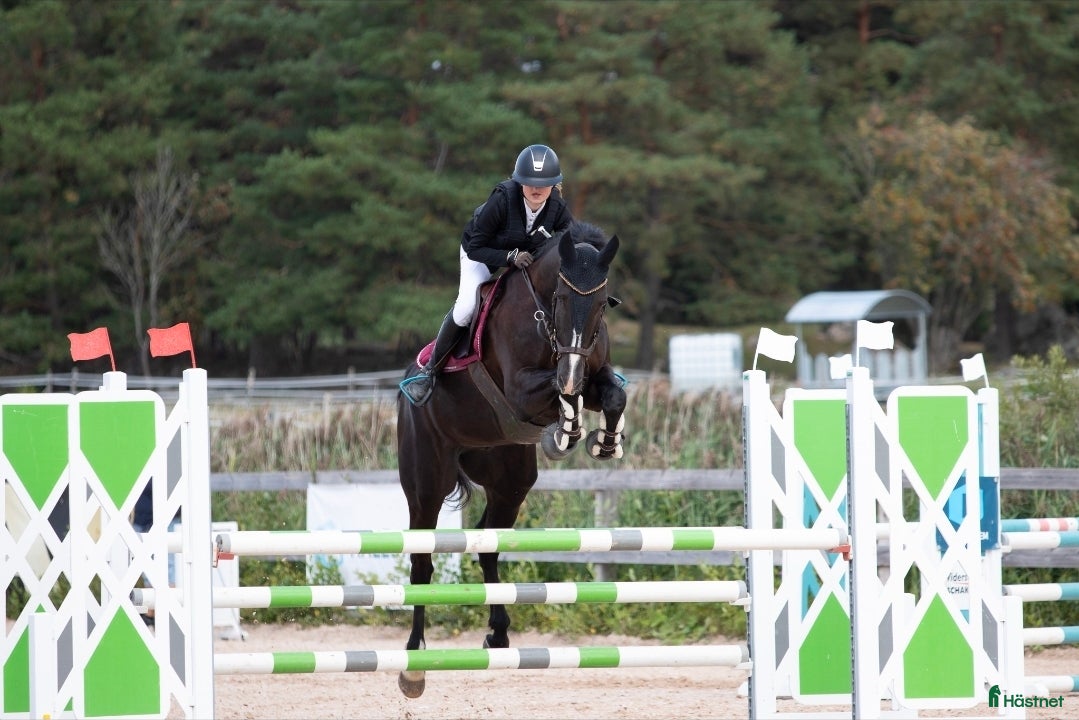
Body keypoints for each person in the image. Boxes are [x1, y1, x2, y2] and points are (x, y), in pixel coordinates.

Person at [401, 143, 575, 406]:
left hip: (525, 259)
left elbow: (569, 243)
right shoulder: (503, 199)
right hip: (481, 253)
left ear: (554, 184)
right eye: (529, 183)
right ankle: (430, 373)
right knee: (466, 307)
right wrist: (509, 257)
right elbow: (475, 246)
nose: (536, 189)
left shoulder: (557, 209)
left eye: (544, 183)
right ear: (519, 182)